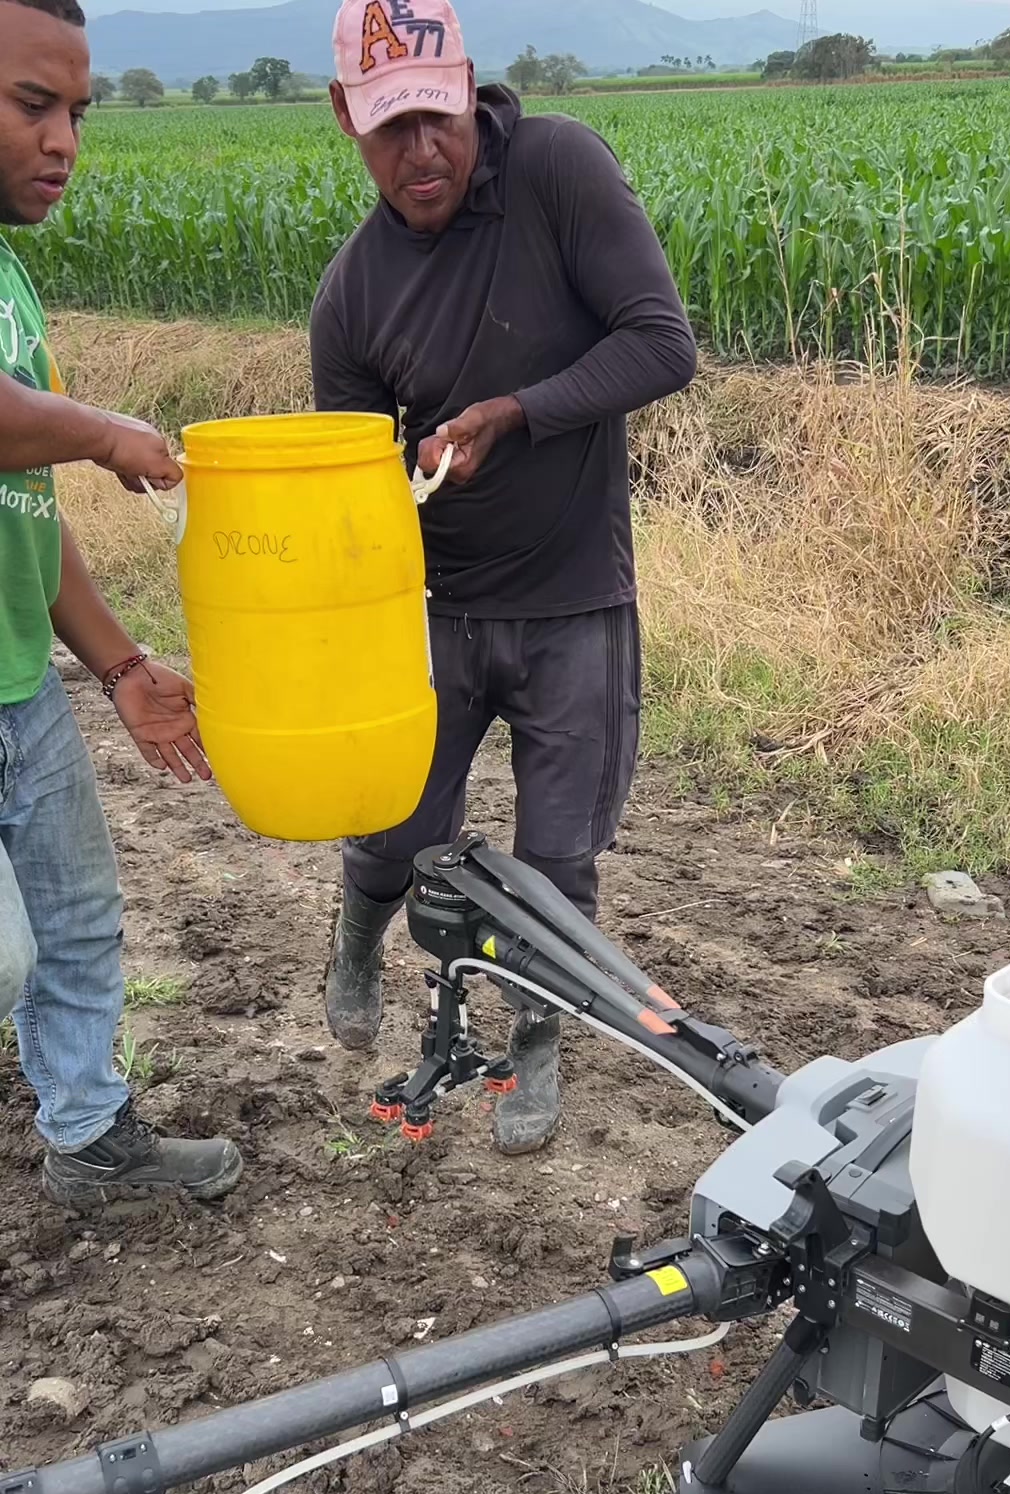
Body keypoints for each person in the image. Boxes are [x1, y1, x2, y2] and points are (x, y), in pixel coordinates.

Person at [312, 0, 697, 1157]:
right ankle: (356, 939)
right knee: (395, 829)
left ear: (471, 84)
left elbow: (662, 342)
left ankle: (538, 1036)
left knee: (557, 860)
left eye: (438, 115)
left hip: (574, 597)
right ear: (344, 119)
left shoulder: (558, 171)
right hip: (435, 609)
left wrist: (514, 414)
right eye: (391, 127)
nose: (423, 150)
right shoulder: (353, 295)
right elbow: (356, 491)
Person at [0, 0, 242, 1207]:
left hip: (20, 688)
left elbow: (26, 508)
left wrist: (119, 666)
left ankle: (90, 1138)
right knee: (7, 955)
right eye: (30, 104)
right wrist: (102, 431)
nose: (63, 142)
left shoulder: (10, 280)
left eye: (77, 113)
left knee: (78, 921)